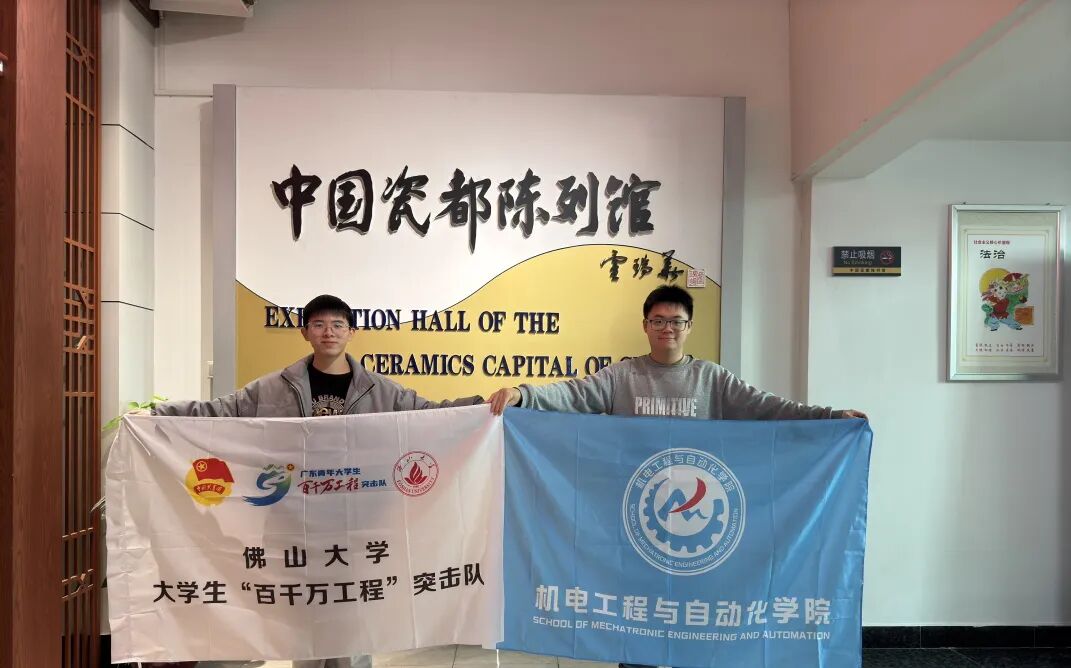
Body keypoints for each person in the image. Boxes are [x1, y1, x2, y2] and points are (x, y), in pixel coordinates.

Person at [487, 284, 864, 668]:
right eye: (658, 321)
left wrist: (830, 417)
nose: (667, 328)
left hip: (697, 530)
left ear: (689, 326)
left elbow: (767, 407)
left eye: (676, 321)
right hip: (634, 524)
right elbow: (573, 395)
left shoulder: (711, 379)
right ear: (645, 325)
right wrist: (523, 394)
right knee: (636, 620)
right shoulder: (621, 376)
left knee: (689, 620)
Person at [152, 294, 483, 668]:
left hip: (357, 525)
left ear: (352, 332)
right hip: (294, 523)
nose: (329, 332)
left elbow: (432, 415)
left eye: (338, 324)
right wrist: (158, 414)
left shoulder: (380, 390)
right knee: (303, 619)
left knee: (352, 618)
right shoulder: (273, 388)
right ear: (305, 332)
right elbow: (218, 412)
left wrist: (487, 408)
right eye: (319, 324)